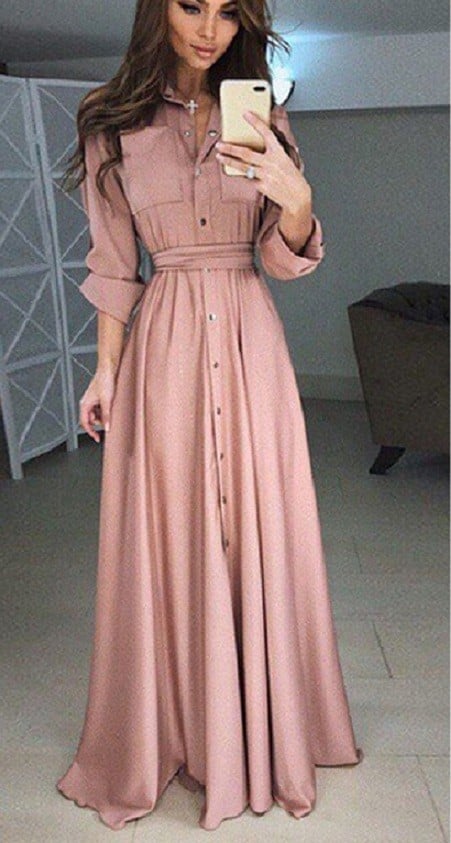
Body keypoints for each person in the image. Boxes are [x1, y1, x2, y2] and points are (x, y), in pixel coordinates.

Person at [56, 0, 363, 831]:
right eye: (191, 4)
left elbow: (279, 256)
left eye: (229, 12)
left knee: (259, 527)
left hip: (249, 331)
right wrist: (104, 371)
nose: (208, 28)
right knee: (175, 529)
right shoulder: (108, 118)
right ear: (155, 8)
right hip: (164, 341)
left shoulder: (263, 114)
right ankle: (184, 726)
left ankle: (261, 726)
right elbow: (114, 262)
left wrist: (295, 199)